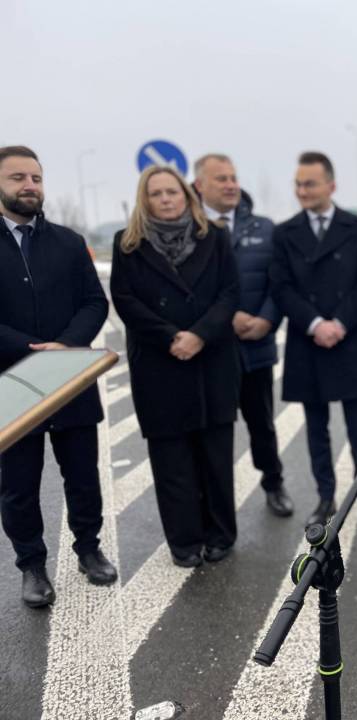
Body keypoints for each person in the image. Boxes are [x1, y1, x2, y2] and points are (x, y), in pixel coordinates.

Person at [0, 145, 116, 607]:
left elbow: (94, 302)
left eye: (36, 178)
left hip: (71, 380)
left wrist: (66, 346)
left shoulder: (69, 242)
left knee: (83, 476)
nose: (30, 186)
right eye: (17, 178)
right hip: (13, 385)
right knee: (18, 485)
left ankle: (89, 549)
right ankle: (31, 566)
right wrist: (31, 349)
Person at [110, 166, 241, 568]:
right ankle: (184, 541)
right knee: (172, 461)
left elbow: (230, 292)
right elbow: (125, 300)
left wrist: (199, 334)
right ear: (145, 200)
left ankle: (220, 535)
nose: (166, 199)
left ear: (186, 195)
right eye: (157, 193)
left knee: (215, 458)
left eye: (172, 191)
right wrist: (170, 336)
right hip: (159, 363)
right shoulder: (128, 244)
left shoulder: (214, 236)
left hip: (211, 359)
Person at [270, 152, 357, 528]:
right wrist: (315, 323)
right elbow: (281, 288)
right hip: (309, 340)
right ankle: (325, 498)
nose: (302, 191)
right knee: (316, 429)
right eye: (298, 184)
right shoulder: (284, 233)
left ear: (331, 185)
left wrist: (338, 322)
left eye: (310, 184)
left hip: (349, 337)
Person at [194, 153, 292, 518]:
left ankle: (273, 483)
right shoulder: (188, 228)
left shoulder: (264, 228)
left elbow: (279, 281)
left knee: (262, 423)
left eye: (233, 177)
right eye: (221, 179)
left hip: (256, 346)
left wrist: (267, 319)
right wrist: (224, 318)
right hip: (210, 349)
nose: (231, 185)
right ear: (200, 185)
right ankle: (215, 502)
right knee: (214, 430)